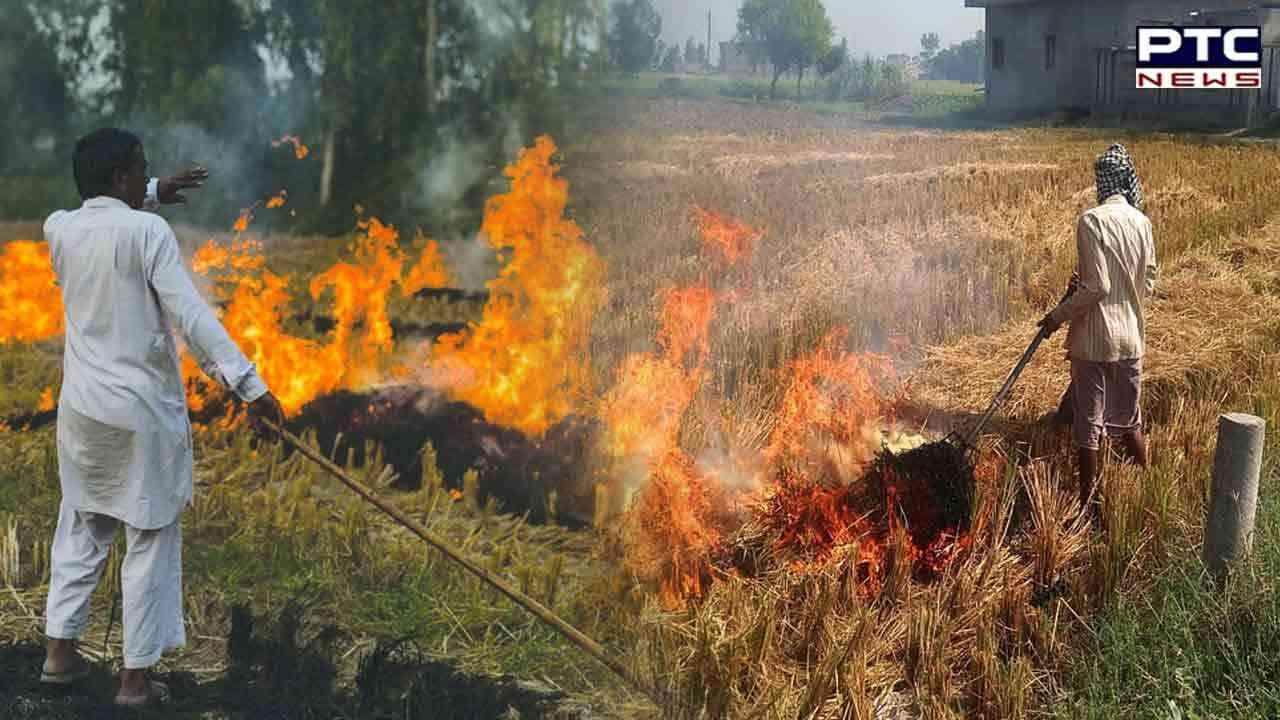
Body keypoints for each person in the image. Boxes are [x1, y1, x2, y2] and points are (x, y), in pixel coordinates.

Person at [39, 128, 285, 707]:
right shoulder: (149, 231)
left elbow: (102, 213)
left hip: (82, 413)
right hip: (140, 415)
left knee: (81, 526)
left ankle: (58, 657)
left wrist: (149, 187)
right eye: (141, 169)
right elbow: (190, 315)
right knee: (148, 536)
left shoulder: (58, 229)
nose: (147, 177)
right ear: (123, 177)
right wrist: (248, 385)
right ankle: (134, 682)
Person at [1039, 143, 1157, 518]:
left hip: (1095, 339)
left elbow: (1097, 288)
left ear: (1101, 182)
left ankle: (1088, 504)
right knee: (1128, 420)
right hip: (1130, 338)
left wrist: (1057, 316)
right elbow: (1148, 280)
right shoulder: (1142, 222)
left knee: (1089, 426)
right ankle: (1148, 484)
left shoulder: (1091, 221)